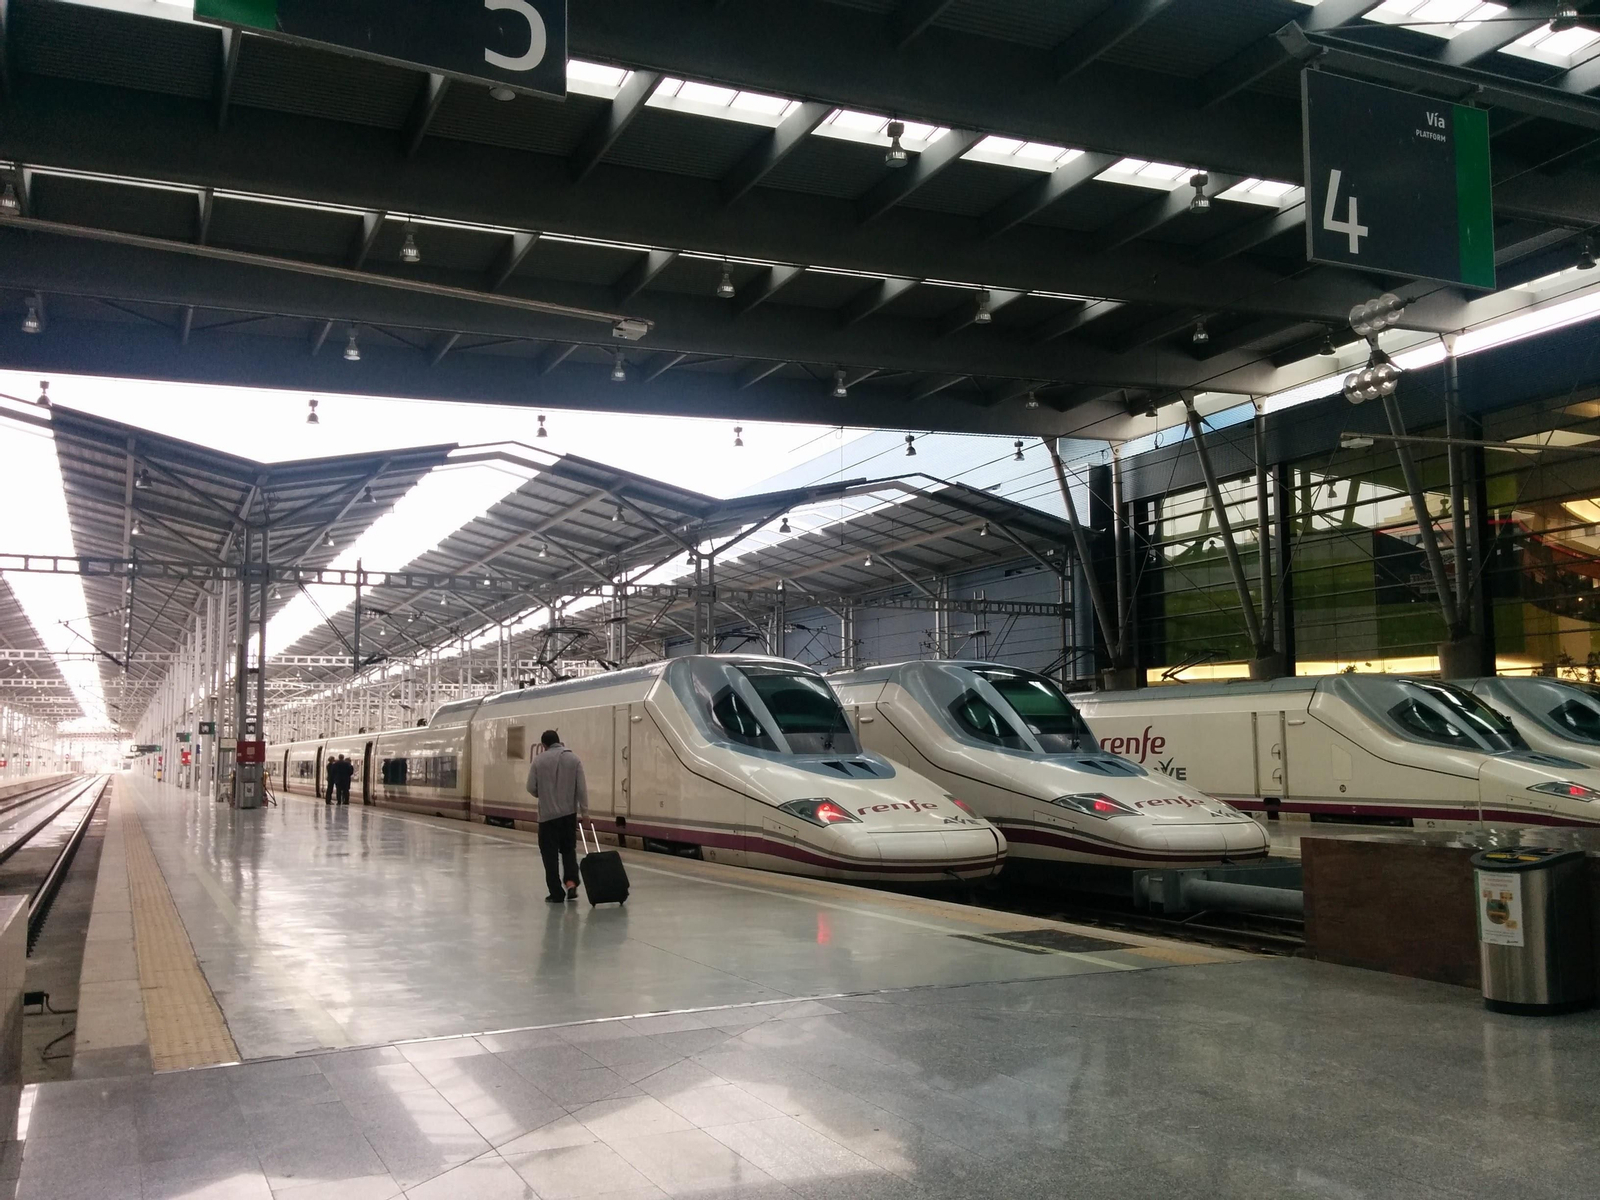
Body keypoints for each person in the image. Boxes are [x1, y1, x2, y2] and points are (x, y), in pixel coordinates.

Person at [526, 729, 587, 903]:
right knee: (568, 851)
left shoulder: (538, 761)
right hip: (568, 815)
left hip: (547, 817)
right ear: (559, 741)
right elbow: (581, 789)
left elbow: (530, 787)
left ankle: (556, 893)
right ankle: (571, 883)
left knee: (549, 856)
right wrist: (585, 812)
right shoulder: (574, 759)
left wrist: (542, 794)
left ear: (543, 745)